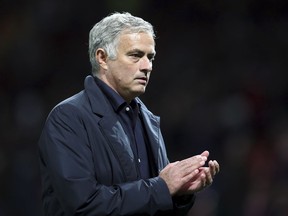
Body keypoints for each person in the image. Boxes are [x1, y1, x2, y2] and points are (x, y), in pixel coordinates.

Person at [38, 12, 220, 216]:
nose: (147, 66)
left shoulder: (148, 120)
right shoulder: (68, 117)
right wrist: (162, 187)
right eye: (135, 55)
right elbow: (84, 205)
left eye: (150, 57)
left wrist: (179, 193)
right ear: (102, 58)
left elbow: (153, 205)